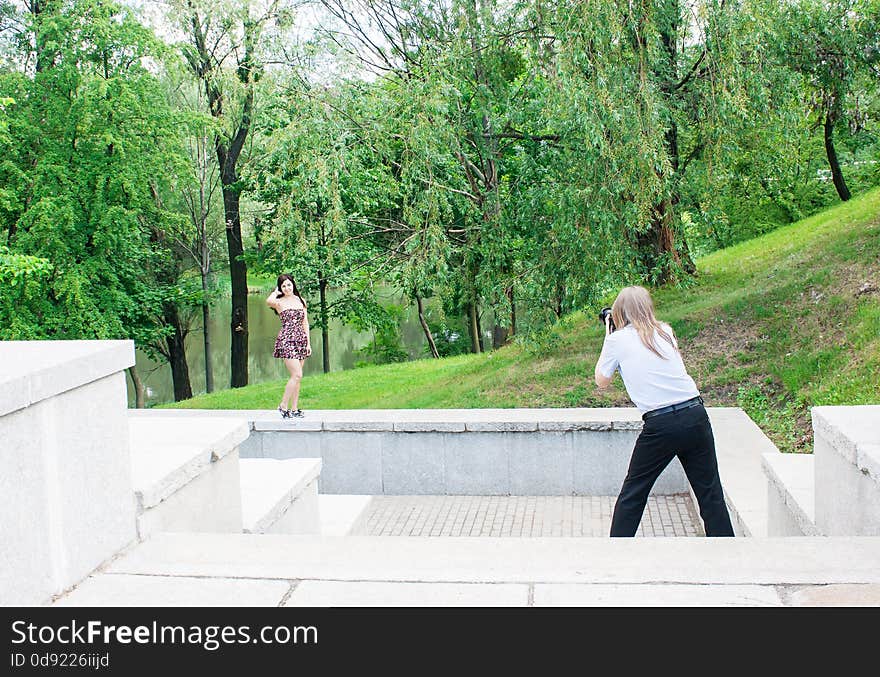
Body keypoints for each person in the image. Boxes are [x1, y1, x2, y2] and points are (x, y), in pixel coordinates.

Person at [594, 285, 734, 537]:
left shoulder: (616, 340)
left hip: (661, 425)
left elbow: (601, 381)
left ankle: (616, 553)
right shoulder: (666, 331)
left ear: (619, 313)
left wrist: (608, 334)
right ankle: (730, 555)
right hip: (695, 413)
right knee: (710, 492)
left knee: (633, 493)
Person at [266, 274, 312, 419]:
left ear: (293, 284)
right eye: (283, 286)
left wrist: (308, 343)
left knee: (297, 377)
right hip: (287, 340)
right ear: (280, 288)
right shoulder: (279, 302)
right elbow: (268, 301)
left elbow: (305, 323)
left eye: (289, 284)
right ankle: (283, 405)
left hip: (301, 340)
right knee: (297, 374)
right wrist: (275, 292)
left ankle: (294, 409)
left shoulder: (301, 301)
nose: (287, 288)